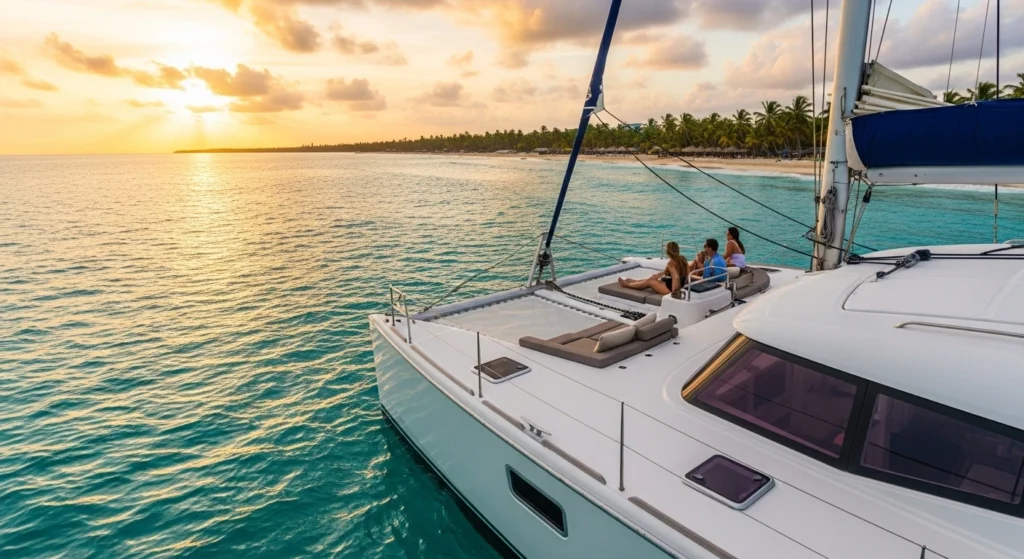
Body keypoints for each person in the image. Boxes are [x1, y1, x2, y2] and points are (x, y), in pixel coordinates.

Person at [618, 241, 689, 295]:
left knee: (650, 282)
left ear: (668, 251)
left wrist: (674, 293)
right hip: (679, 285)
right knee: (652, 278)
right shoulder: (682, 259)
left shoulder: (671, 264)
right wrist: (658, 275)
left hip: (671, 289)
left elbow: (675, 278)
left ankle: (627, 285)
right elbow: (682, 274)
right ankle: (636, 282)